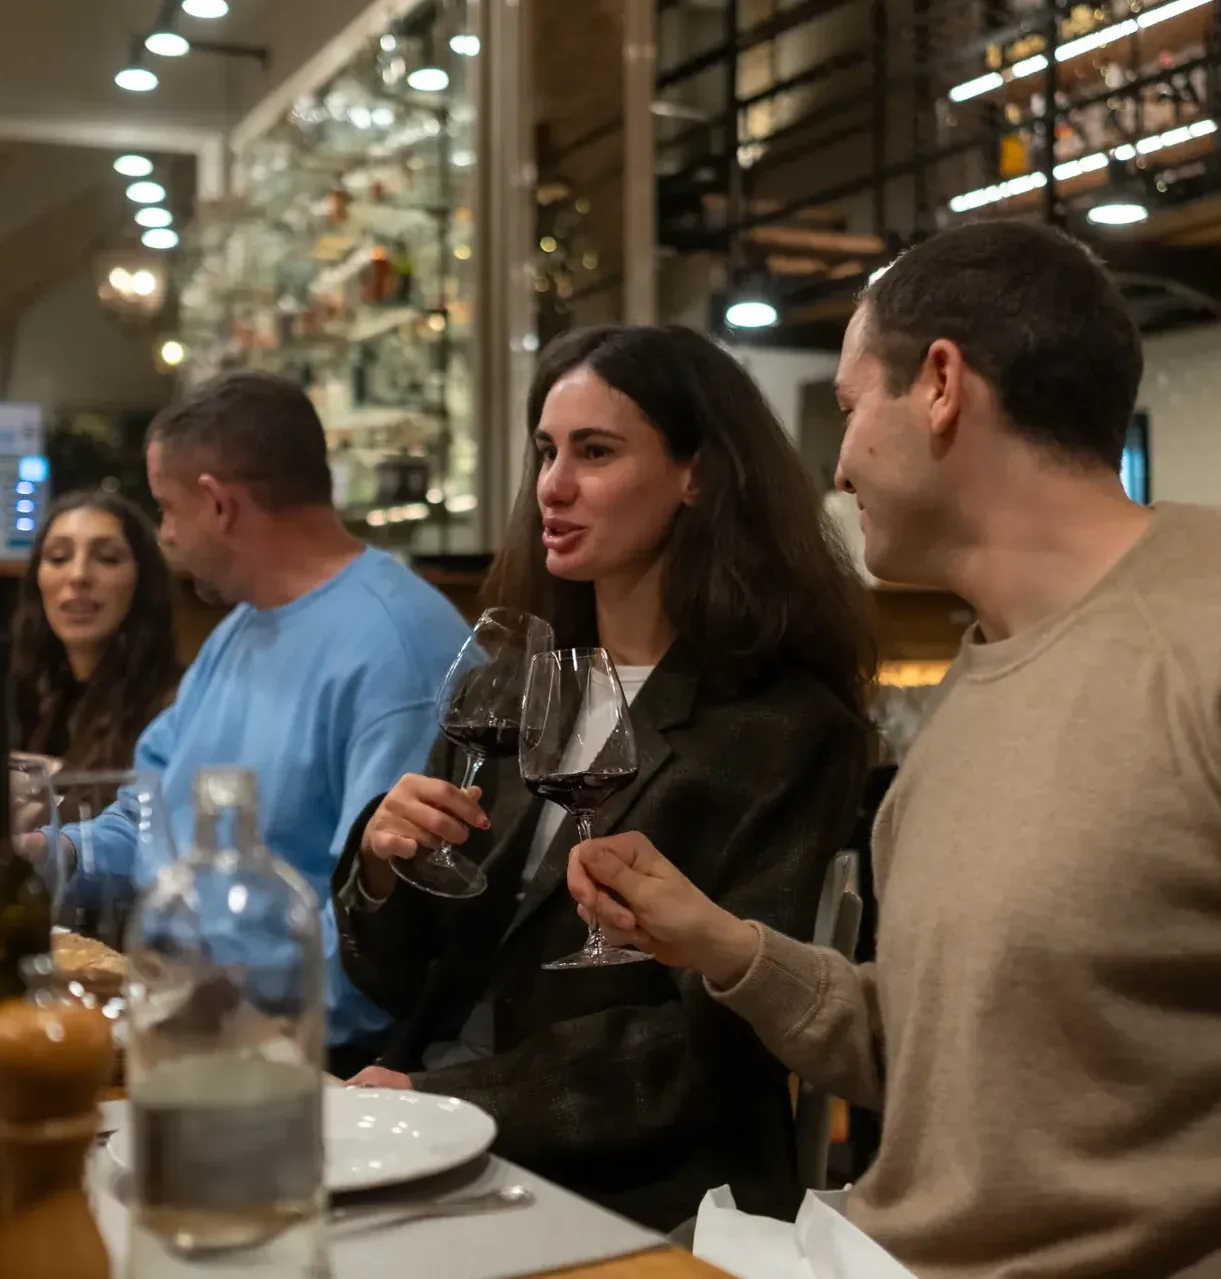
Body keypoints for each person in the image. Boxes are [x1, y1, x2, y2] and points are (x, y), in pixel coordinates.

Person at [569, 223, 1221, 1275]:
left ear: (943, 385)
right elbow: (960, 1061)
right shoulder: (975, 685)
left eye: (856, 403)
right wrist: (730, 947)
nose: (839, 457)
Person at [332, 324, 876, 1231]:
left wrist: (451, 1100)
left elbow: (701, 1047)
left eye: (595, 452)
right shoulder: (515, 676)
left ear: (695, 474)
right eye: (547, 451)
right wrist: (385, 866)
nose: (553, 485)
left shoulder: (780, 726)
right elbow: (393, 977)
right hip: (431, 1125)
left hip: (632, 1181)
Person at [62, 371, 469, 1068]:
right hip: (178, 1013)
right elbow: (152, 817)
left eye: (166, 509)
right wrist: (54, 855)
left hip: (293, 1061)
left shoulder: (397, 648)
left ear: (219, 504)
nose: (163, 535)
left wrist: (186, 1031)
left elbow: (377, 941)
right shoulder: (244, 624)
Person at [9, 490, 180, 771]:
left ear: (143, 581)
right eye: (59, 557)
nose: (78, 576)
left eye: (108, 558)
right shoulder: (29, 700)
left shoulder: (175, 709)